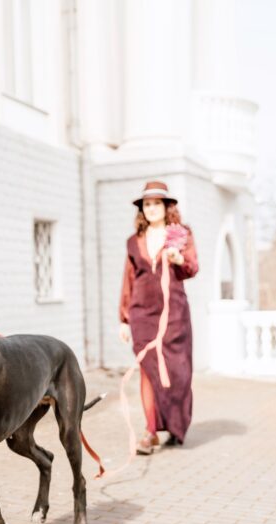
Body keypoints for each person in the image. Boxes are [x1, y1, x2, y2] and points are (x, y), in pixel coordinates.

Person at [119, 180, 198, 454]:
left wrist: (179, 260)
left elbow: (192, 267)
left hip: (174, 314)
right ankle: (150, 431)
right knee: (148, 371)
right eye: (147, 204)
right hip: (142, 314)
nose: (151, 208)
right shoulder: (133, 242)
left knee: (179, 372)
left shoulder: (181, 234)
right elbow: (129, 279)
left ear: (166, 206)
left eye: (156, 203)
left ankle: (176, 425)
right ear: (142, 209)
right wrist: (124, 319)